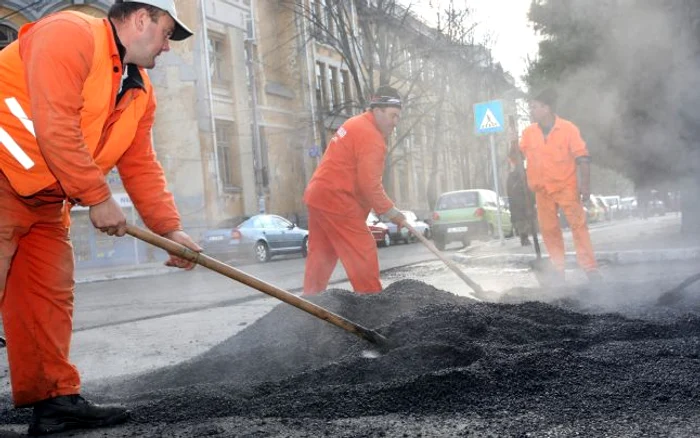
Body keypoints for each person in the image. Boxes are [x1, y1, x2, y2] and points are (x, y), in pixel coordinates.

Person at [0, 1, 200, 435]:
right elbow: (55, 124)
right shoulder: (70, 34)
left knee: (47, 299)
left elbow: (140, 163)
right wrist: (97, 197)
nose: (167, 48)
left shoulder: (138, 90)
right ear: (141, 18)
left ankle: (54, 402)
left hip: (47, 197)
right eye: (167, 33)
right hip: (1, 175)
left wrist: (170, 228)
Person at [302, 86, 406, 295]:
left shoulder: (354, 123)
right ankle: (372, 303)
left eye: (398, 117)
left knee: (322, 253)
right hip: (338, 198)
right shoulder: (372, 137)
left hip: (319, 194)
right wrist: (393, 212)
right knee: (362, 250)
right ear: (377, 110)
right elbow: (370, 184)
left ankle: (309, 304)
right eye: (393, 116)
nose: (395, 123)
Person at [519, 88, 601, 282]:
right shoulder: (528, 133)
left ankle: (590, 269)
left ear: (547, 108)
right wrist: (512, 146)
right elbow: (518, 158)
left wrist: (585, 186)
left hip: (566, 187)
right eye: (531, 107)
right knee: (549, 230)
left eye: (535, 107)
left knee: (578, 227)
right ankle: (558, 269)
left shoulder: (568, 129)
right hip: (542, 190)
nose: (532, 111)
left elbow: (582, 158)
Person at [506, 143, 533, 247]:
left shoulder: (523, 173)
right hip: (518, 202)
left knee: (524, 219)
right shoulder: (513, 176)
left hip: (523, 201)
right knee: (521, 219)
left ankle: (524, 236)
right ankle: (524, 237)